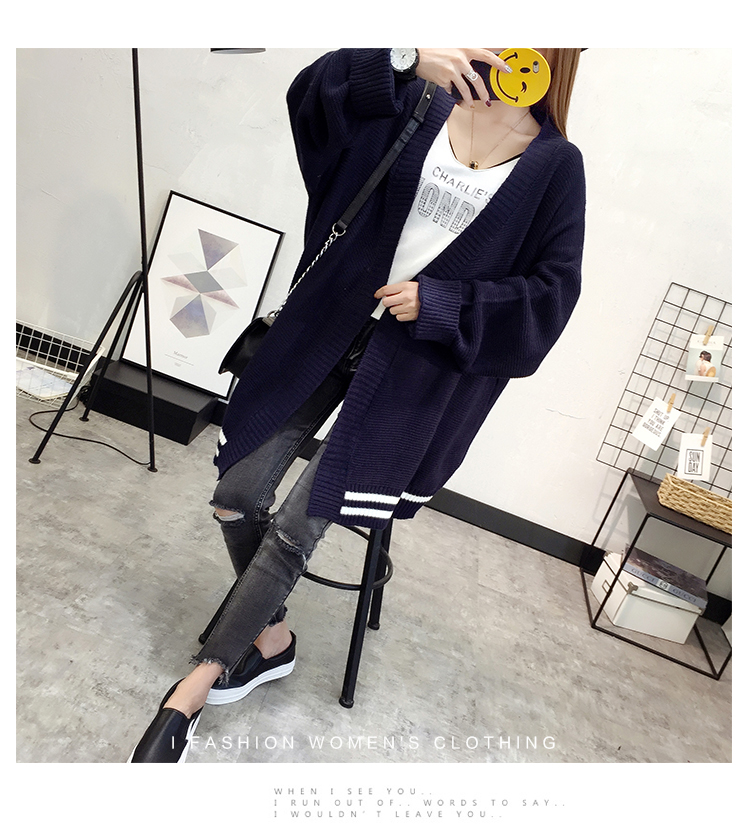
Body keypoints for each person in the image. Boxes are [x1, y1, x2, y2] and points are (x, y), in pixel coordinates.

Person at [129, 47, 586, 763]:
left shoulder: (556, 165)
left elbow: (550, 297)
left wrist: (443, 303)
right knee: (235, 494)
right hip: (327, 326)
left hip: (415, 374)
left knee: (294, 528)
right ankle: (271, 637)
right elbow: (313, 101)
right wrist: (401, 61)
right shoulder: (419, 102)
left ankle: (191, 692)